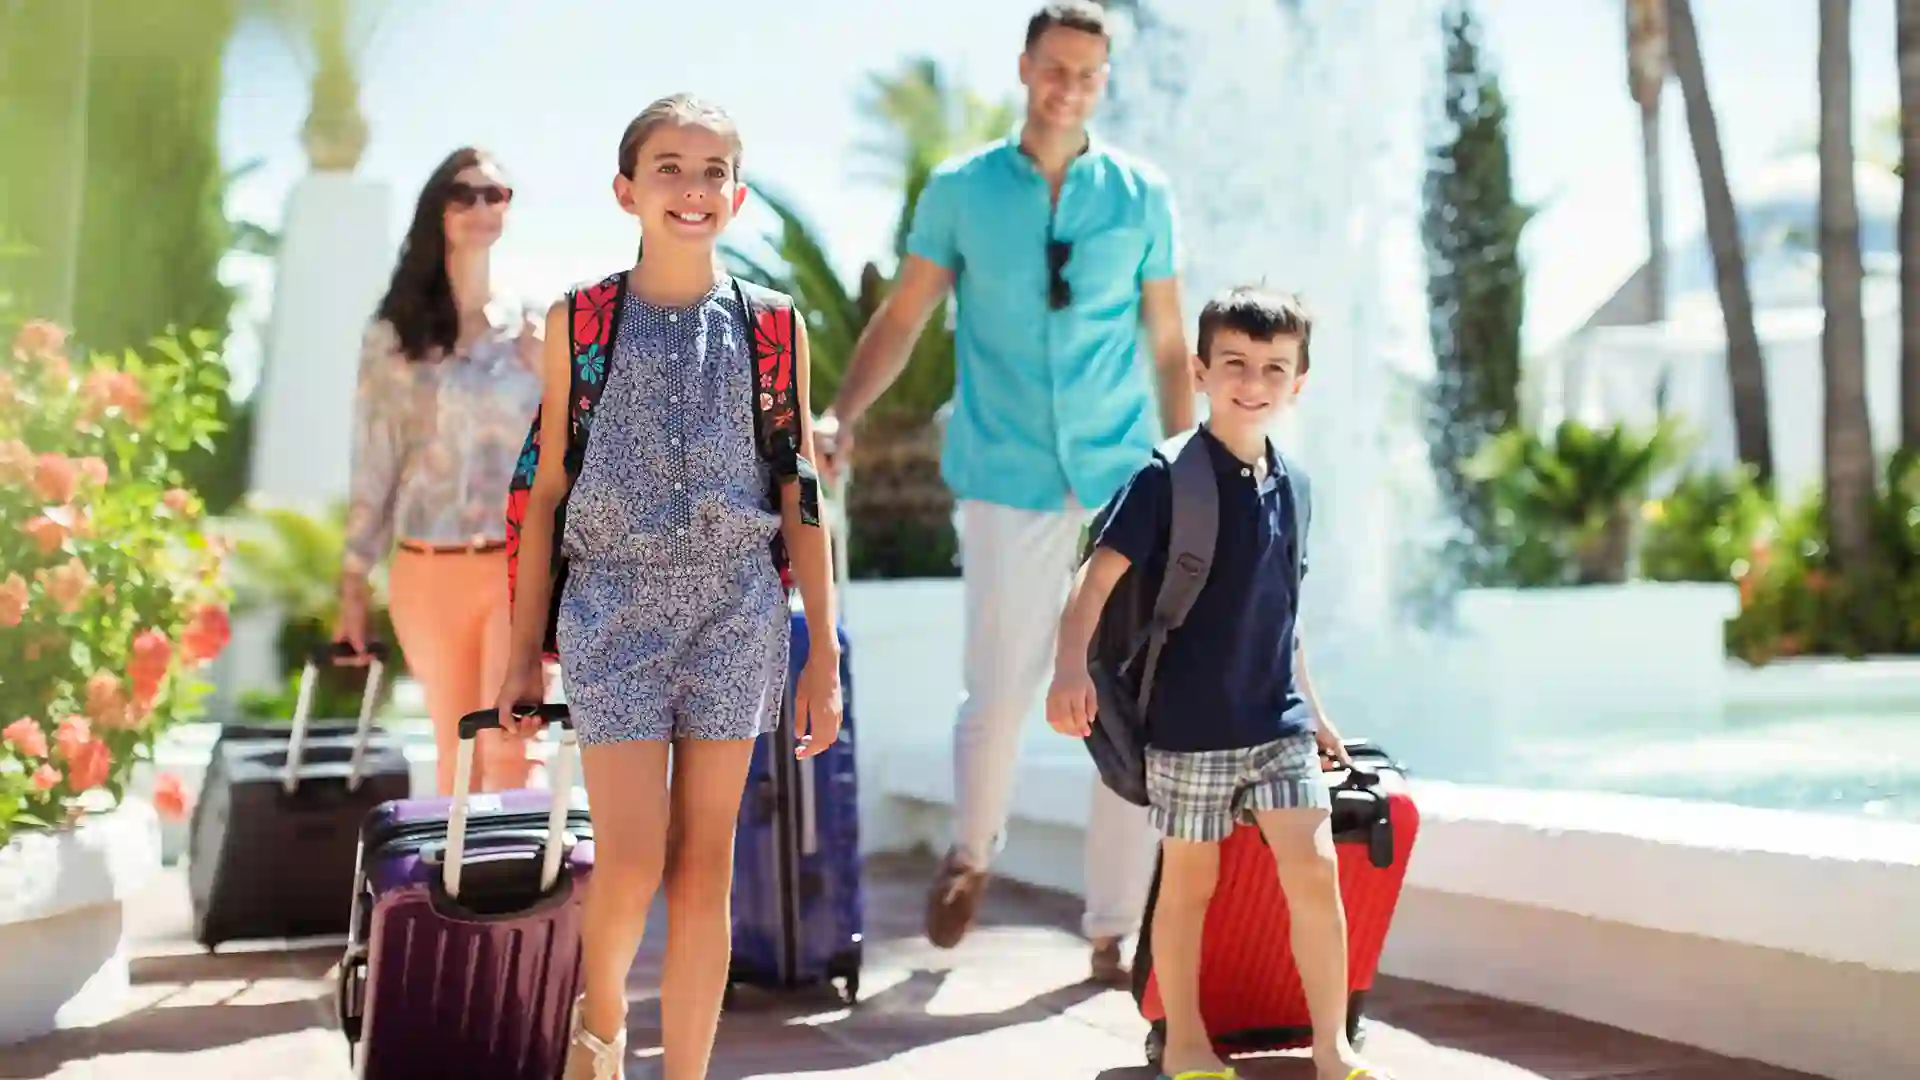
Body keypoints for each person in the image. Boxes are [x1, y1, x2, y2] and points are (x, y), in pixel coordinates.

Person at [814, 0, 1193, 983]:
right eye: (1055, 66)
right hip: (1006, 474)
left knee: (1128, 701)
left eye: (1088, 72)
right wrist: (842, 415)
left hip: (1122, 478)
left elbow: (1165, 342)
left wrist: (1198, 463)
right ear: (1025, 68)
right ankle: (970, 857)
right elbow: (903, 318)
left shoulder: (1143, 194)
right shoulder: (962, 189)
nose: (1070, 85)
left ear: (1104, 81)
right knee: (1000, 689)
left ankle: (1112, 925)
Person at [493, 94, 843, 1080]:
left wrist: (822, 646)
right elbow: (549, 487)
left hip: (737, 611)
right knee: (635, 859)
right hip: (612, 612)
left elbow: (800, 486)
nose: (693, 189)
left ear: (736, 192)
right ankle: (598, 1025)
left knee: (704, 872)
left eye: (712, 171)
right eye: (670, 169)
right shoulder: (585, 319)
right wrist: (525, 650)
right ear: (627, 191)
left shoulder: (774, 327)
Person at [1045, 288, 1386, 1080]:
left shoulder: (1296, 485)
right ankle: (1188, 1044)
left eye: (1274, 368)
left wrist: (1319, 715)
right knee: (1189, 887)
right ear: (1200, 371)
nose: (1253, 381)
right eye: (1234, 363)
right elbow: (1092, 585)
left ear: (1299, 382)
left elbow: (1285, 614)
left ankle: (1333, 1045)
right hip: (1190, 727)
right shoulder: (1166, 480)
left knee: (1315, 871)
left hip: (1280, 724)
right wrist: (1068, 669)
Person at [337, 147, 540, 796]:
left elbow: (582, 445)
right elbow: (375, 459)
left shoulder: (536, 328)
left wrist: (555, 371)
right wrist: (352, 580)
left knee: (515, 746)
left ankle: (533, 897)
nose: (483, 206)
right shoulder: (396, 334)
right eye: (465, 193)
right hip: (427, 570)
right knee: (460, 759)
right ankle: (466, 896)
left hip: (519, 567)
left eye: (497, 194)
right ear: (439, 210)